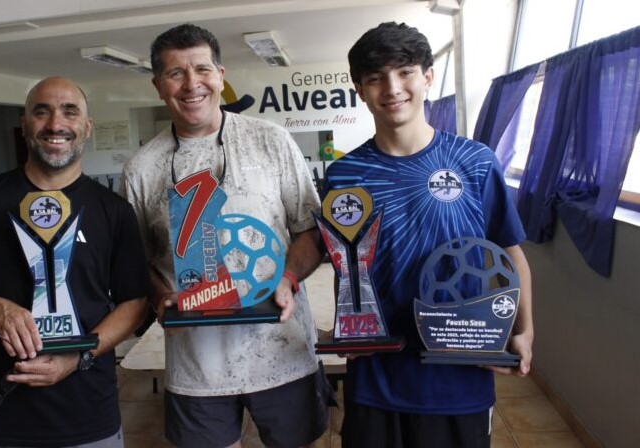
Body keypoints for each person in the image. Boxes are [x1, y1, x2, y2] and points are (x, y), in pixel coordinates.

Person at [120, 23, 335, 448]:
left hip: (283, 349)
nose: (191, 84)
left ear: (220, 75)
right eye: (175, 73)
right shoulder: (141, 169)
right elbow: (138, 260)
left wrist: (288, 279)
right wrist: (161, 297)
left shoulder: (271, 140)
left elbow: (309, 229)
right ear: (158, 85)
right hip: (197, 365)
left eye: (202, 69)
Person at [324, 22, 535, 448]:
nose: (392, 88)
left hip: (460, 373)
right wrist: (348, 326)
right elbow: (347, 264)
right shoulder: (345, 174)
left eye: (405, 72)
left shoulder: (475, 162)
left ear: (427, 76)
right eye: (376, 77)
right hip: (377, 377)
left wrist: (525, 330)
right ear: (360, 89)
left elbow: (509, 251)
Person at [0, 76, 150, 447]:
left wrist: (78, 357)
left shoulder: (113, 210)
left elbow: (135, 303)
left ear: (87, 127)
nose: (56, 124)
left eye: (70, 112)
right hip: (3, 414)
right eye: (42, 112)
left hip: (88, 412)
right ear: (25, 124)